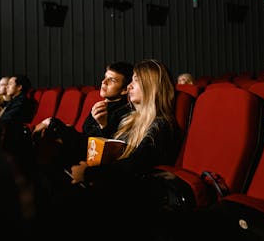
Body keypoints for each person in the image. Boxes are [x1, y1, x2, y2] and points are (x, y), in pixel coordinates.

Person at [45, 59, 182, 239]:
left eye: (136, 81)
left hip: (130, 196)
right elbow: (109, 147)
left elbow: (135, 164)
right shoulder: (130, 119)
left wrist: (89, 174)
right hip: (112, 183)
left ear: (151, 86)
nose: (130, 86)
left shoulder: (160, 125)